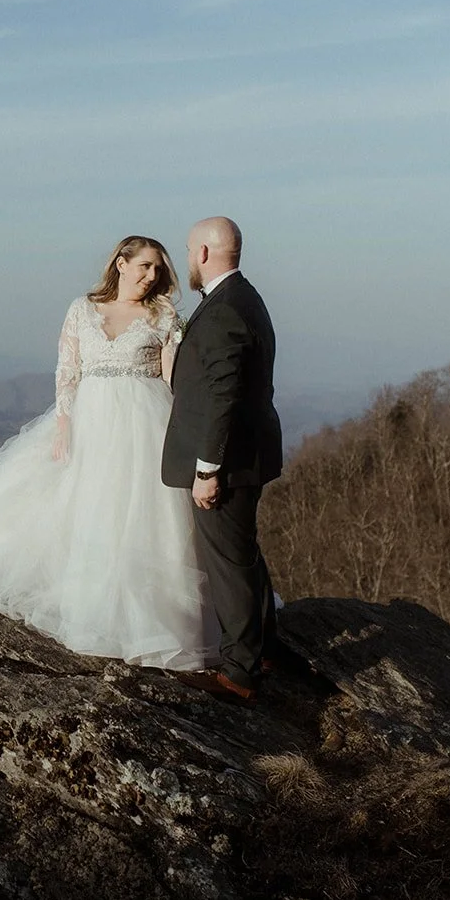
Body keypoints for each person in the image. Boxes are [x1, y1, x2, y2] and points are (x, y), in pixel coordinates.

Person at [0, 235, 219, 671]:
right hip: (88, 421)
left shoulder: (161, 315)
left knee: (141, 517)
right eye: (144, 266)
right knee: (79, 508)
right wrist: (64, 422)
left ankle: (147, 625)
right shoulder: (82, 309)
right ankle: (89, 606)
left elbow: (171, 380)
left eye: (158, 270)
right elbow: (67, 369)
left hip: (145, 424)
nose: (151, 276)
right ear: (120, 264)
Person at [162, 217, 283, 705]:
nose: (188, 258)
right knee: (243, 552)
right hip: (247, 453)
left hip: (228, 461)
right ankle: (263, 647)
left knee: (228, 562)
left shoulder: (224, 310)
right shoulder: (240, 298)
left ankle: (239, 672)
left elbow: (222, 394)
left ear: (206, 253)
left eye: (190, 249)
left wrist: (207, 469)